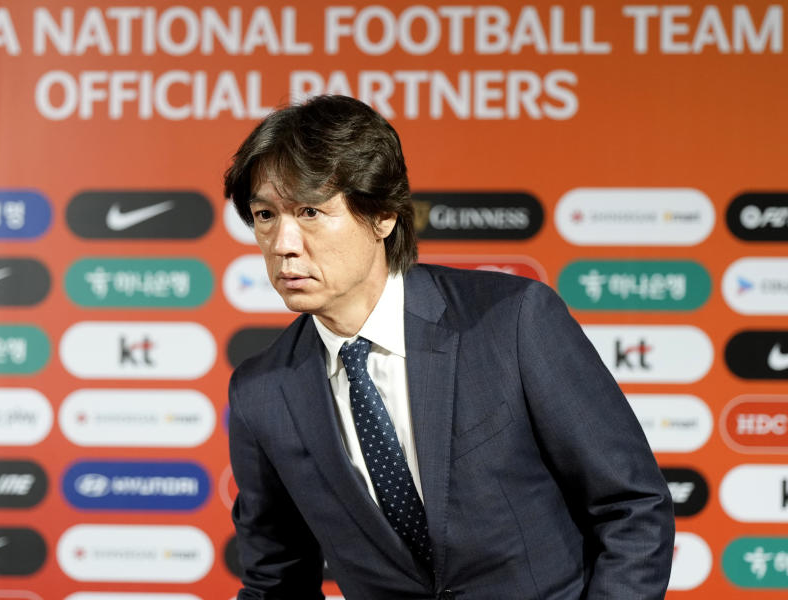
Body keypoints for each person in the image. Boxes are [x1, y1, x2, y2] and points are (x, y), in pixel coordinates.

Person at [223, 95, 674, 600]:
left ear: (383, 216)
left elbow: (632, 507)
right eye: (265, 215)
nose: (283, 242)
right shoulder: (261, 392)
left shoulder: (512, 321)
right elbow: (275, 580)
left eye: (310, 211)